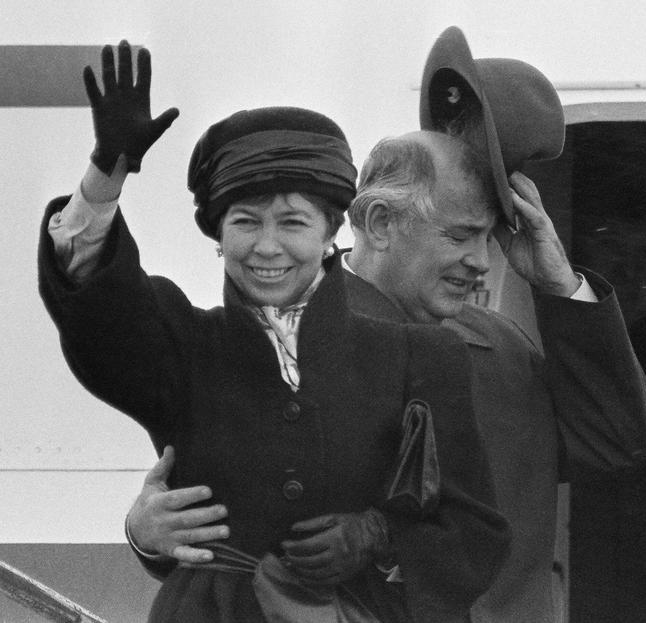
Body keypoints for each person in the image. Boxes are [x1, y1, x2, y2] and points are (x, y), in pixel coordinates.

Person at [127, 27, 646, 623]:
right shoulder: (263, 345)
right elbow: (196, 525)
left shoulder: (503, 345)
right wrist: (144, 533)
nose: (483, 261)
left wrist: (559, 282)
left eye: (493, 236)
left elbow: (619, 443)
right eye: (460, 235)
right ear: (379, 224)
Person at [38, 41, 509, 623]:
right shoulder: (183, 345)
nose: (267, 247)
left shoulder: (422, 355)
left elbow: (478, 534)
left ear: (330, 230)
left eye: (292, 222)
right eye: (244, 222)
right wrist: (104, 177)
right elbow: (95, 307)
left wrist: (376, 535)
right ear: (218, 236)